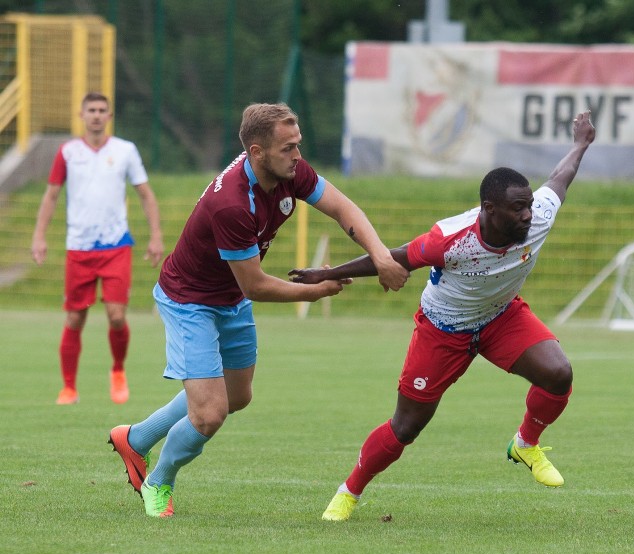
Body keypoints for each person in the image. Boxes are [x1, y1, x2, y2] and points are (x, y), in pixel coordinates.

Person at [107, 102, 410, 518]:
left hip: (229, 298)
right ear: (256, 152)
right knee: (211, 414)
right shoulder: (233, 203)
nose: (297, 156)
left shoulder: (289, 171)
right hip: (189, 300)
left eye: (298, 145)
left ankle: (135, 438)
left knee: (237, 396)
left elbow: (343, 207)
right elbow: (256, 285)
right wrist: (314, 292)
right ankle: (158, 479)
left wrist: (381, 256)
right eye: (288, 148)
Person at [291, 110, 596, 522]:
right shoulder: (451, 240)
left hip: (500, 317)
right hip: (443, 329)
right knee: (406, 427)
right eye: (518, 208)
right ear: (489, 208)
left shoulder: (538, 215)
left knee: (559, 374)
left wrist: (580, 143)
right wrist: (328, 273)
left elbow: (560, 176)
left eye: (529, 206)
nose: (528, 215)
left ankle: (525, 443)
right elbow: (393, 258)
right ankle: (349, 491)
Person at [31, 92, 164, 406]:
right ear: (81, 115)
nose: (96, 115)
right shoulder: (68, 152)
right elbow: (51, 196)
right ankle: (68, 388)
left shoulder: (125, 151)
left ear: (109, 116)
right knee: (75, 318)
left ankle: (118, 371)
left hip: (116, 245)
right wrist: (39, 235)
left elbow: (146, 195)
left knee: (117, 317)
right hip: (79, 248)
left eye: (102, 110)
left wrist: (155, 235)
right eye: (91, 109)